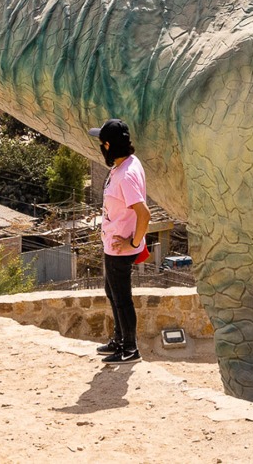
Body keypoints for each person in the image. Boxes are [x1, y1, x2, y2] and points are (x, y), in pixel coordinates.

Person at [91, 118, 147, 363]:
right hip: (112, 244)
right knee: (111, 292)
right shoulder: (129, 163)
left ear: (107, 145)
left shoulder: (126, 176)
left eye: (102, 143)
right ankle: (119, 340)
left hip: (120, 249)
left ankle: (130, 348)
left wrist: (133, 244)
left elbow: (144, 213)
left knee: (122, 299)